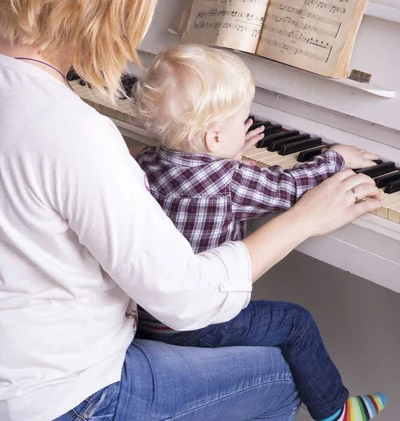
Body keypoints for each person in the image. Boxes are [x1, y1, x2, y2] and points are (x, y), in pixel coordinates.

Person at [0, 0, 383, 421]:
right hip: (67, 399)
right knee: (282, 372)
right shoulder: (69, 131)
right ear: (102, 0)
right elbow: (184, 300)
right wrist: (304, 219)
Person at [132, 44, 387, 421]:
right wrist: (337, 157)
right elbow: (290, 187)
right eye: (241, 121)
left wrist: (225, 152)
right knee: (295, 322)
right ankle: (335, 409)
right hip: (196, 324)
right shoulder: (233, 181)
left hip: (146, 314)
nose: (245, 127)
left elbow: (198, 173)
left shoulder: (147, 161)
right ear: (214, 139)